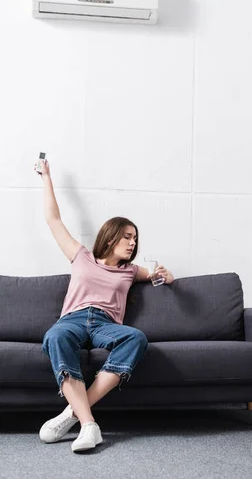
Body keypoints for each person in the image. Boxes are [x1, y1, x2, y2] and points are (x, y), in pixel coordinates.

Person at [33, 157, 174, 453]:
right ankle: (89, 425)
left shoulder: (131, 271)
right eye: (127, 236)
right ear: (111, 237)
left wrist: (165, 275)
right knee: (55, 336)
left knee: (135, 337)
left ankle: (72, 414)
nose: (133, 243)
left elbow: (160, 277)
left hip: (105, 325)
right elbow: (53, 221)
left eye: (135, 239)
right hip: (72, 320)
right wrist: (46, 178)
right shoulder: (81, 256)